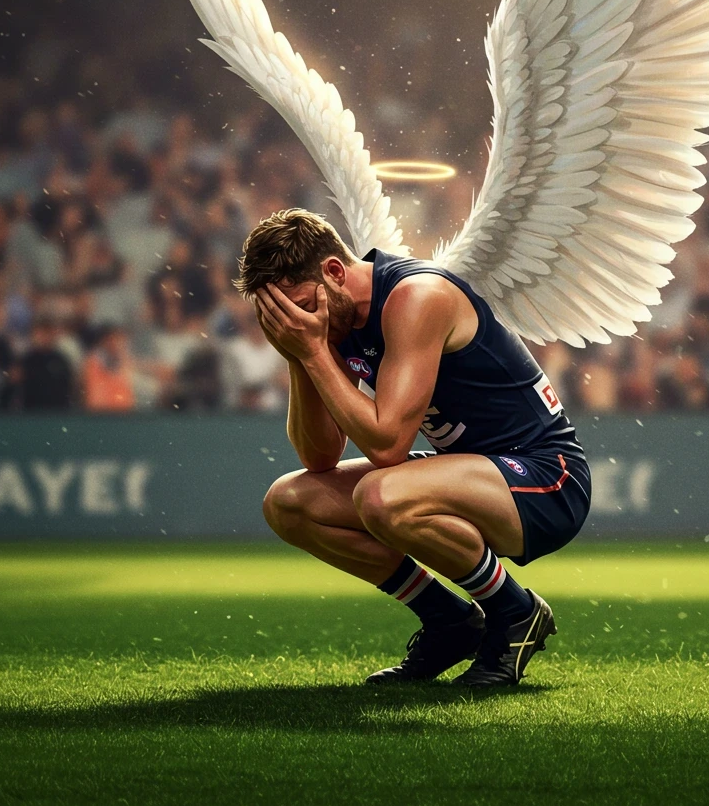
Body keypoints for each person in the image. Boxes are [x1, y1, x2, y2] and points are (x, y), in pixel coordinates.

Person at [244, 208, 592, 689]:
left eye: (302, 304)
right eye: (286, 315)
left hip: (547, 477)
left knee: (381, 495)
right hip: (467, 472)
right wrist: (300, 357)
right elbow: (319, 457)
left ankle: (514, 612)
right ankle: (451, 623)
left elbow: (387, 446)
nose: (300, 321)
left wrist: (313, 352)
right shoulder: (333, 324)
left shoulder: (416, 297)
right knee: (289, 503)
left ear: (334, 271)